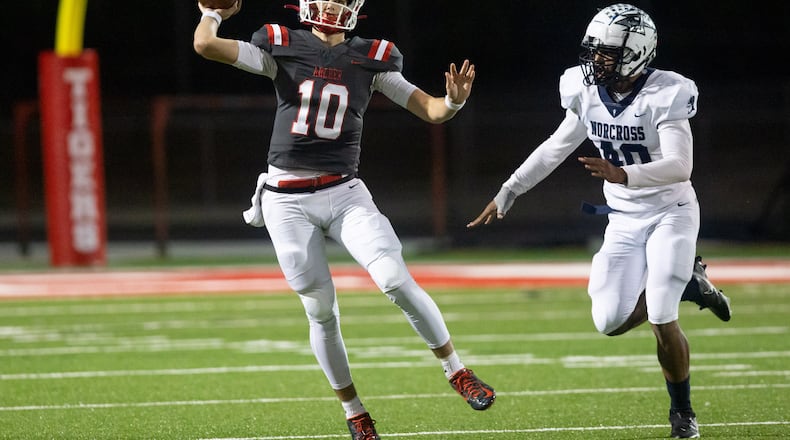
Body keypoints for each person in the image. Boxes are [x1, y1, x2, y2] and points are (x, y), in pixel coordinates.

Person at [193, 1, 495, 439]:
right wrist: (212, 13)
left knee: (394, 278)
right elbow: (205, 44)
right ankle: (355, 412)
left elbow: (431, 111)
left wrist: (453, 101)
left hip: (344, 192)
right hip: (286, 199)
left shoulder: (372, 58)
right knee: (320, 311)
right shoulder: (281, 45)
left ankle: (457, 371)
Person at [467, 4, 731, 439]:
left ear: (637, 51)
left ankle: (682, 414)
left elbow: (681, 166)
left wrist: (625, 174)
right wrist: (509, 190)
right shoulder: (583, 89)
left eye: (607, 52)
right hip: (624, 219)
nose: (596, 60)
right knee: (608, 321)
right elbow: (556, 146)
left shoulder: (667, 91)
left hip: (671, 212)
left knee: (662, 317)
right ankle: (689, 284)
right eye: (593, 50)